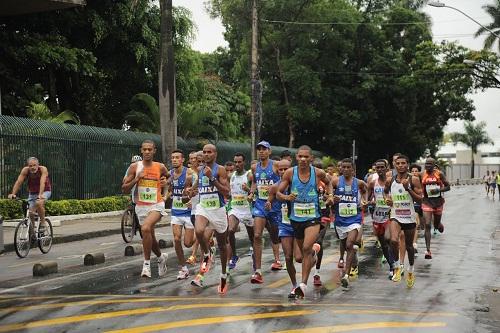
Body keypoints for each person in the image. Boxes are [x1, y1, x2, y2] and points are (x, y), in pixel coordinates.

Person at [278, 145, 332, 298]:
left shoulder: (317, 173)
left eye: (306, 157)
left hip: (313, 217)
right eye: (300, 156)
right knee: (300, 257)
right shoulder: (290, 173)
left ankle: (302, 285)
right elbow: (278, 193)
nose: (302, 159)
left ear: (311, 159)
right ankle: (315, 251)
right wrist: (286, 197)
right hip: (295, 219)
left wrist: (329, 195)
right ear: (296, 158)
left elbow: (328, 183)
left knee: (306, 247)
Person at [122, 140, 169, 278]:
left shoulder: (160, 167)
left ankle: (146, 265)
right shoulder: (134, 167)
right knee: (150, 236)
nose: (147, 152)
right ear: (141, 151)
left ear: (154, 151)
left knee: (145, 229)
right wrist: (137, 179)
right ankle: (161, 258)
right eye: (145, 149)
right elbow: (124, 188)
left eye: (150, 149)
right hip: (141, 206)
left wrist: (166, 186)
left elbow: (169, 178)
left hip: (157, 204)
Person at [190, 144, 231, 295]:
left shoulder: (220, 170)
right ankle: (207, 253)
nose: (206, 155)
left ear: (215, 154)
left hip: (219, 211)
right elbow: (195, 188)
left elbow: (227, 192)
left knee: (222, 245)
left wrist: (212, 178)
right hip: (204, 208)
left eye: (209, 152)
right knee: (199, 230)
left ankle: (224, 273)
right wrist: (190, 192)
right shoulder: (200, 170)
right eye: (204, 152)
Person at [384, 154, 423, 288]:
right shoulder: (390, 180)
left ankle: (411, 269)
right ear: (394, 165)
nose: (400, 165)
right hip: (395, 214)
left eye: (403, 163)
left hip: (409, 217)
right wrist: (387, 199)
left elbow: (420, 199)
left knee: (409, 247)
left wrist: (408, 189)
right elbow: (385, 192)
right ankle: (396, 267)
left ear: (408, 165)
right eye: (398, 163)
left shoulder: (414, 179)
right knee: (393, 240)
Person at [249, 140, 283, 284]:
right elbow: (255, 182)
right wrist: (251, 192)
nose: (261, 151)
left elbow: (284, 181)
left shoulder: (276, 165)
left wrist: (276, 195)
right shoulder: (255, 167)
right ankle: (258, 271)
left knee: (275, 234)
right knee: (257, 235)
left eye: (264, 149)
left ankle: (278, 259)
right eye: (259, 149)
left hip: (275, 205)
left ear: (269, 151)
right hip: (260, 204)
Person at [332, 158, 368, 288]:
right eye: (344, 167)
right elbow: (327, 194)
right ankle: (353, 261)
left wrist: (364, 201)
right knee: (344, 244)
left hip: (354, 218)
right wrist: (331, 198)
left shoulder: (358, 183)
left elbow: (366, 190)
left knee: (349, 244)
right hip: (340, 220)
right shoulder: (335, 181)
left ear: (353, 170)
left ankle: (346, 276)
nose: (346, 170)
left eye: (349, 167)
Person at [169, 150, 195, 280]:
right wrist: (164, 196)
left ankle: (201, 238)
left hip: (188, 213)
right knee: (177, 239)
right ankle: (183, 268)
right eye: (172, 158)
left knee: (188, 244)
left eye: (177, 158)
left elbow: (195, 189)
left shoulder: (189, 173)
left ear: (183, 160)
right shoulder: (170, 174)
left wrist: (192, 199)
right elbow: (169, 190)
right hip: (176, 212)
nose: (174, 160)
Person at [8, 157, 52, 233]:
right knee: (31, 212)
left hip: (45, 191)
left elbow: (42, 182)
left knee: (39, 203)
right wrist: (13, 194)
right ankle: (32, 231)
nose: (32, 167)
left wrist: (40, 195)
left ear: (38, 165)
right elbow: (19, 182)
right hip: (32, 193)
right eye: (30, 166)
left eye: (34, 165)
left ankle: (43, 222)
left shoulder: (42, 169)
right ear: (28, 166)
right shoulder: (25, 170)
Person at [227, 152, 254, 270]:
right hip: (235, 208)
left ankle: (255, 255)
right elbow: (229, 189)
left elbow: (255, 191)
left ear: (244, 162)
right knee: (230, 230)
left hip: (247, 209)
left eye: (239, 162)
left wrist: (248, 189)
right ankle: (234, 255)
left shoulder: (249, 175)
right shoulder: (231, 175)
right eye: (235, 162)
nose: (237, 164)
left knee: (252, 237)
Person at [367, 159, 395, 279]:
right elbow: (367, 199)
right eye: (377, 168)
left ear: (386, 168)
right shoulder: (373, 183)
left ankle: (395, 265)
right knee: (383, 244)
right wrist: (369, 203)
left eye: (381, 167)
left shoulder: (392, 182)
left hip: (390, 214)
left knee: (389, 239)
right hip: (377, 216)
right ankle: (391, 265)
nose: (379, 169)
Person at [421, 157, 450, 259]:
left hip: (438, 202)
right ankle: (428, 250)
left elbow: (448, 186)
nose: (428, 165)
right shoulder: (422, 174)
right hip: (426, 202)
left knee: (436, 226)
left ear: (434, 165)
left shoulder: (439, 174)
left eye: (430, 164)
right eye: (426, 164)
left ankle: (438, 224)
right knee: (428, 225)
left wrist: (438, 190)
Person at [186, 151, 203, 265]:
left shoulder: (209, 173)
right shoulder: (190, 176)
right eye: (198, 160)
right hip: (194, 208)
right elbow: (186, 191)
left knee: (199, 232)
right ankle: (207, 253)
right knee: (197, 236)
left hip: (206, 209)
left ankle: (194, 255)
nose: (199, 163)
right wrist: (188, 196)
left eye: (202, 161)